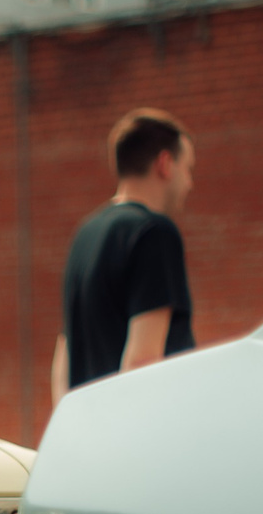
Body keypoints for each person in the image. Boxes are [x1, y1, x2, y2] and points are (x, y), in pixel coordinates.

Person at [51, 108, 197, 406]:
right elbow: (142, 363)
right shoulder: (155, 234)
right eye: (187, 169)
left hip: (87, 436)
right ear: (165, 164)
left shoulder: (85, 235)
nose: (189, 183)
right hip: (139, 439)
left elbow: (64, 356)